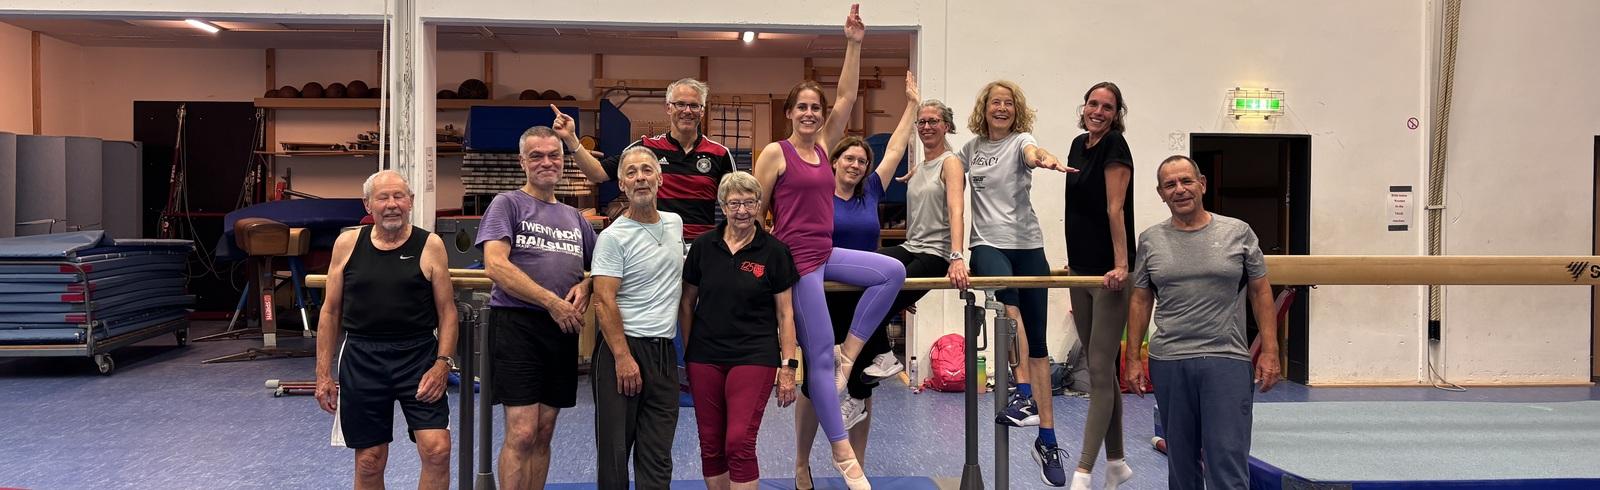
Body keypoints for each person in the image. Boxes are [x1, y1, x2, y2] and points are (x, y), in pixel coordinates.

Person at [752, 5, 902, 489]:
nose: (812, 113)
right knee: (813, 358)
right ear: (790, 113)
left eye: (816, 108)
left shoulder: (824, 149)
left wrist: (854, 43)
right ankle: (842, 455)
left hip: (827, 250)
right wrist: (766, 262)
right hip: (798, 261)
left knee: (891, 273)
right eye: (803, 107)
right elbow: (755, 211)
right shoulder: (777, 152)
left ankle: (849, 353)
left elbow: (848, 94)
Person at [794, 73, 970, 487]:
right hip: (824, 298)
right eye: (848, 159)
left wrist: (910, 105)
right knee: (813, 385)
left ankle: (857, 467)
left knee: (860, 387)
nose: (855, 165)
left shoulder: (872, 188)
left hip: (862, 303)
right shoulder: (817, 189)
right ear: (832, 161)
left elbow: (893, 147)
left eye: (861, 160)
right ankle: (802, 464)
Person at [1125, 155, 1282, 490]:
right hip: (1170, 360)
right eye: (1170, 185)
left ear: (1202, 184)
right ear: (1161, 193)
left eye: (1186, 181)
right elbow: (1140, 298)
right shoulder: (1150, 239)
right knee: (1181, 465)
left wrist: (1270, 349)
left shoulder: (1237, 232)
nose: (1180, 190)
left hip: (1225, 358)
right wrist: (1133, 358)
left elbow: (1260, 290)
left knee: (1226, 460)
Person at [962, 79, 1074, 486]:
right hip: (987, 243)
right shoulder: (972, 149)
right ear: (985, 108)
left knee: (1040, 345)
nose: (1002, 108)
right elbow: (947, 170)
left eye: (1009, 103)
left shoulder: (1022, 139)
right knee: (1009, 306)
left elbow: (1033, 151)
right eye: (996, 102)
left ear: (1016, 110)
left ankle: (1047, 438)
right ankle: (1022, 393)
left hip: (1028, 244)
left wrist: (1044, 159)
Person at [315, 169, 457, 490]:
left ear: (410, 202)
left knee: (437, 450)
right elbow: (330, 311)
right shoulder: (347, 243)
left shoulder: (430, 245)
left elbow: (447, 312)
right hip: (362, 358)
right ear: (368, 205)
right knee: (369, 460)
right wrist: (323, 374)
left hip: (418, 356)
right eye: (383, 197)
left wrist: (442, 364)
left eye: (399, 196)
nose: (392, 204)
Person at [476, 126, 597, 490]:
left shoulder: (575, 218)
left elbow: (605, 266)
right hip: (518, 326)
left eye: (553, 155)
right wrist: (551, 302)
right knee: (523, 431)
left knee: (544, 432)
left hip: (561, 330)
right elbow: (495, 265)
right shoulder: (507, 203)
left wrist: (588, 285)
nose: (547, 162)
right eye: (537, 156)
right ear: (522, 162)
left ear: (563, 162)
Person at [680, 171, 801, 490]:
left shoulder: (774, 251)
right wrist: (690, 354)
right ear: (722, 205)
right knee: (711, 442)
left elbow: (785, 313)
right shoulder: (704, 246)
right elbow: (687, 302)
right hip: (704, 355)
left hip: (754, 355)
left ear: (760, 205)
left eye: (750, 202)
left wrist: (788, 367)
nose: (743, 210)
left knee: (738, 442)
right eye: (734, 203)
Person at [588, 146, 687, 489]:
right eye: (631, 173)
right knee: (615, 457)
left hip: (663, 353)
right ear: (621, 184)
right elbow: (603, 300)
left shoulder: (675, 224)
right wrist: (622, 357)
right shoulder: (614, 237)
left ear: (659, 179)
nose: (640, 178)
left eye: (647, 170)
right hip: (622, 351)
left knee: (658, 455)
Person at [1062, 81, 1136, 490]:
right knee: (1100, 366)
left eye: (1107, 107)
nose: (1098, 111)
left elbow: (1115, 207)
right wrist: (1072, 261)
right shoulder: (1078, 144)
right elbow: (1078, 207)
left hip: (1109, 274)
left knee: (1099, 370)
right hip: (1081, 270)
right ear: (1084, 106)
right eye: (1093, 103)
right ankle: (1118, 462)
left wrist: (1122, 264)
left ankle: (1084, 469)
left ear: (1116, 113)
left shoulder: (1115, 147)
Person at [569, 78, 734, 241]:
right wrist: (571, 140)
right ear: (668, 108)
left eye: (694, 105)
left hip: (701, 248)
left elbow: (735, 202)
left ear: (702, 111)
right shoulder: (646, 149)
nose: (687, 111)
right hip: (655, 244)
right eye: (680, 104)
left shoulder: (720, 154)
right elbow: (597, 173)